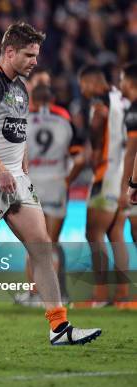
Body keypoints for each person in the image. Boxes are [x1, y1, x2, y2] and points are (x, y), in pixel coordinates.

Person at [0, 22, 101, 346]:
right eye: (29, 55)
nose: (35, 61)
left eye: (37, 55)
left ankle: (59, 326)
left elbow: (18, 135)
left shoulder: (20, 87)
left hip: (16, 180)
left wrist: (22, 170)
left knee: (41, 246)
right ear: (9, 51)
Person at [14, 67, 86, 307]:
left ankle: (34, 294)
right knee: (51, 243)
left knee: (33, 243)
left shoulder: (23, 120)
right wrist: (67, 179)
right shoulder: (64, 119)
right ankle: (55, 297)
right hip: (56, 185)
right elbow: (79, 156)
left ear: (32, 99)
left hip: (32, 185)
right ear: (52, 99)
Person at [75, 65, 129, 308]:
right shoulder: (122, 97)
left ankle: (100, 294)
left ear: (92, 82)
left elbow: (98, 119)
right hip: (123, 173)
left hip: (106, 172)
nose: (83, 91)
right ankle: (123, 294)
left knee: (93, 233)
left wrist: (95, 151)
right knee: (115, 233)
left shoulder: (101, 99)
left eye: (83, 85)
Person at [119, 62, 137, 243]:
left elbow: (132, 151)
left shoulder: (134, 111)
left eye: (122, 80)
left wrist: (127, 187)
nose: (120, 84)